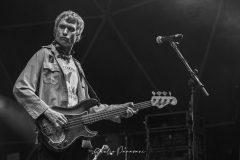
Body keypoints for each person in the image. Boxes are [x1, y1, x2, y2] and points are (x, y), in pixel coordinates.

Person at [13, 10, 137, 160]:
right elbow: (21, 88)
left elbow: (86, 108)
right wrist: (47, 111)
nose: (65, 32)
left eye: (71, 29)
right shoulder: (43, 55)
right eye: (62, 27)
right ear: (55, 30)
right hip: (53, 137)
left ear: (78, 36)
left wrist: (113, 111)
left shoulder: (77, 66)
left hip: (78, 141)